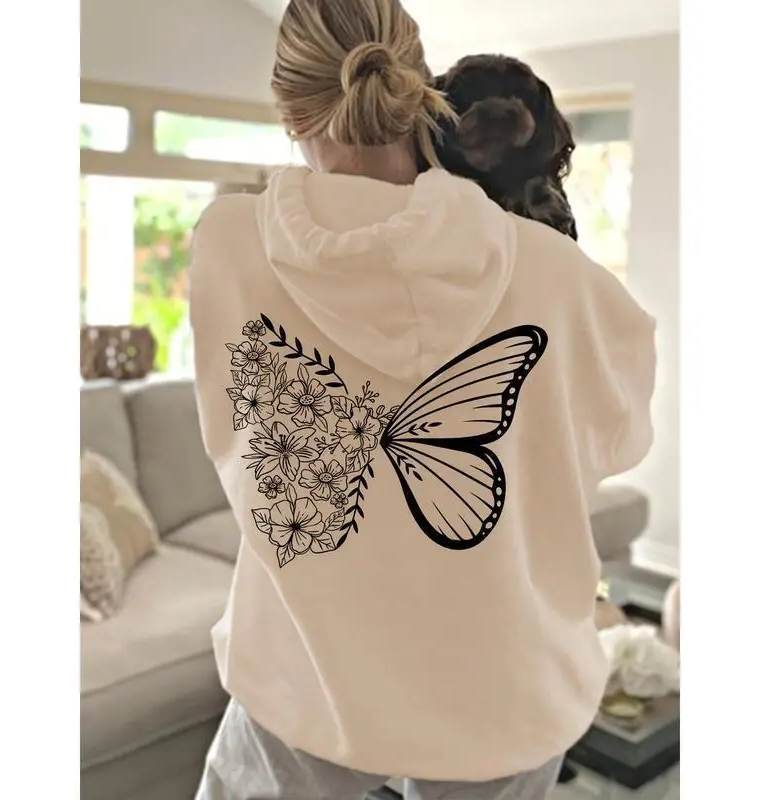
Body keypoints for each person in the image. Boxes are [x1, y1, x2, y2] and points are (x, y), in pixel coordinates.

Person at [189, 1, 657, 798]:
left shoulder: (229, 242)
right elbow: (615, 442)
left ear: (290, 111)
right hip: (506, 678)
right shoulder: (560, 276)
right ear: (420, 92)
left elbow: (235, 435)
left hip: (303, 670)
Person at [427, 54, 578, 240]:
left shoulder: (543, 202)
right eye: (470, 100)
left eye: (516, 100)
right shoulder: (430, 196)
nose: (496, 117)